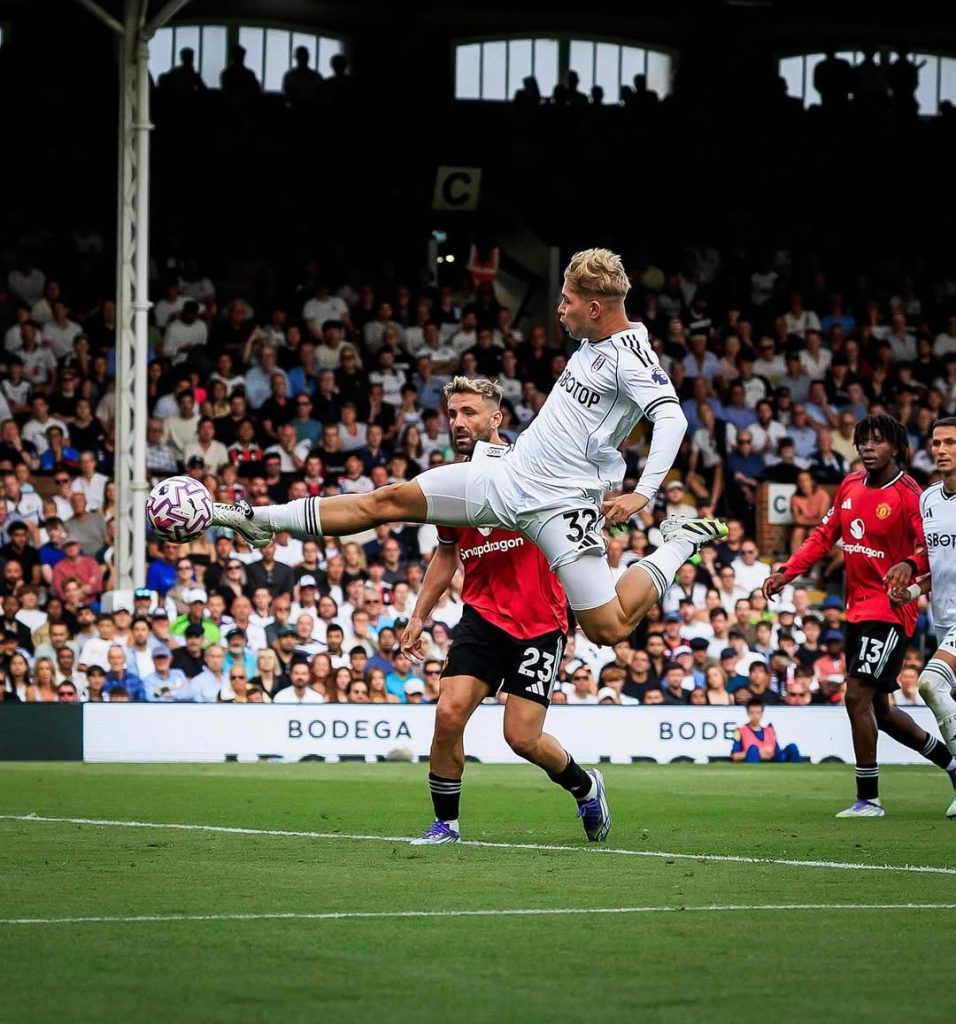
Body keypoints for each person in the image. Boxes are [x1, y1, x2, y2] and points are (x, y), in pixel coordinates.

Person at [212, 249, 726, 648]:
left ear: (595, 308)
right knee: (386, 500)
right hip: (505, 479)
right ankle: (261, 519)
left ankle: (680, 540)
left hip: (562, 505)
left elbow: (673, 418)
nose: (560, 308)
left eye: (567, 300)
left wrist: (644, 495)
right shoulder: (590, 343)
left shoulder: (632, 356)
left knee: (607, 629)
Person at [399, 379, 608, 845]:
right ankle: (445, 825)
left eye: (469, 413)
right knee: (449, 714)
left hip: (540, 621)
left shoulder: (532, 468)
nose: (458, 423)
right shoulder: (451, 485)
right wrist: (419, 616)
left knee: (521, 737)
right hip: (482, 616)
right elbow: (446, 553)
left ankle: (585, 785)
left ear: (496, 419)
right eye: (452, 414)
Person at [764, 414, 956, 817]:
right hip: (857, 609)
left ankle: (868, 798)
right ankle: (952, 764)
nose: (867, 447)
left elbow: (927, 551)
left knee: (856, 695)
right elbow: (823, 535)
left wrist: (906, 563)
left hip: (890, 610)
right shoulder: (850, 485)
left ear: (896, 448)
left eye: (877, 441)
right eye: (862, 441)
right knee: (881, 711)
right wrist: (788, 571)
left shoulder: (909, 495)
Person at [887, 417, 956, 818]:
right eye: (936, 442)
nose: (941, 449)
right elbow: (936, 566)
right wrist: (910, 592)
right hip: (944, 620)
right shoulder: (928, 499)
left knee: (930, 683)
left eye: (950, 442)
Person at [730, 698, 802, 762]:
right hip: (753, 761)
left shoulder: (770, 731)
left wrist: (771, 753)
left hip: (772, 761)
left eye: (758, 713)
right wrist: (759, 753)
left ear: (762, 714)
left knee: (792, 747)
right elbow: (735, 756)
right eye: (752, 713)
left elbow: (777, 752)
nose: (755, 716)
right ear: (748, 713)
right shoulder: (739, 731)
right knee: (753, 749)